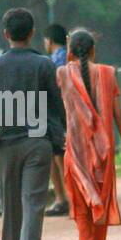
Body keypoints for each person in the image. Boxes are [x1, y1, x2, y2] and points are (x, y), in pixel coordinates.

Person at [0, 8, 66, 240]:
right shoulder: (44, 65)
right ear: (31, 34)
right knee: (33, 204)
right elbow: (56, 107)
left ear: (6, 35)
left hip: (4, 144)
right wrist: (58, 141)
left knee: (11, 206)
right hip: (37, 144)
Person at [57, 29, 121, 240]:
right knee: (99, 210)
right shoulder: (108, 73)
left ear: (70, 51)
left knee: (81, 211)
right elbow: (119, 115)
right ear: (93, 50)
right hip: (104, 153)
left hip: (77, 154)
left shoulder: (62, 74)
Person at [43, 23, 71, 216]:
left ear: (49, 41)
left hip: (57, 114)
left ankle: (63, 199)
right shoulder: (72, 57)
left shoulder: (51, 62)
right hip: (74, 112)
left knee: (57, 157)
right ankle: (73, 198)